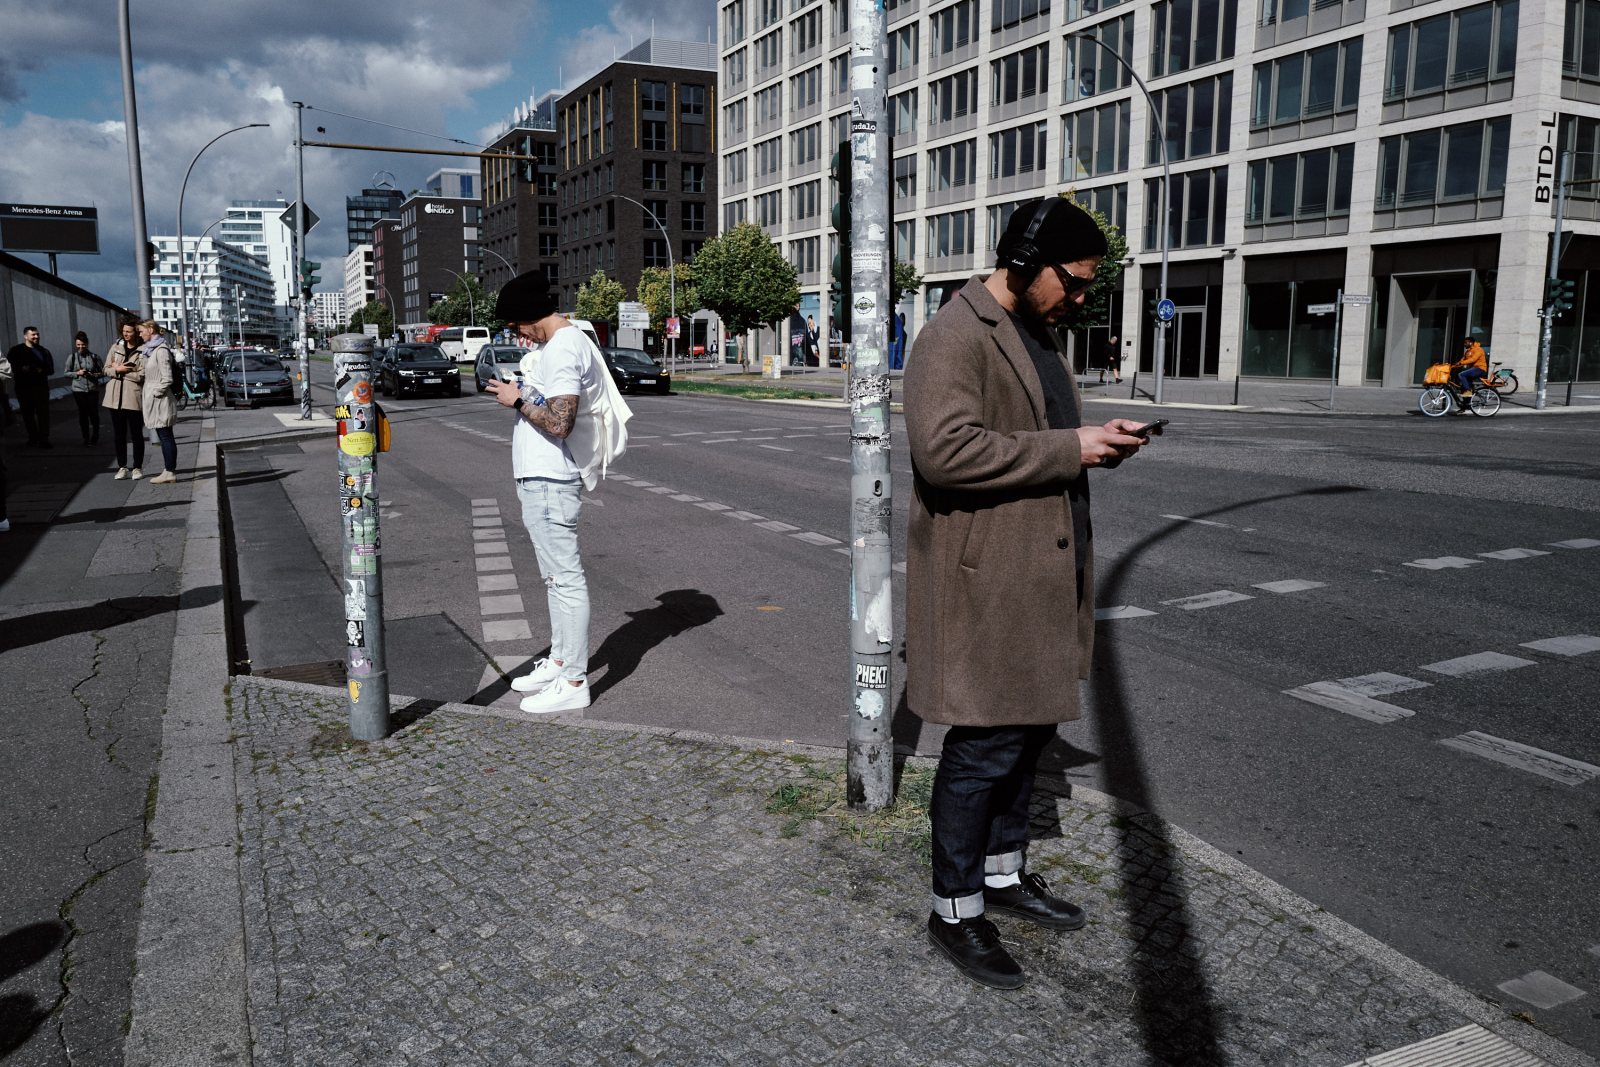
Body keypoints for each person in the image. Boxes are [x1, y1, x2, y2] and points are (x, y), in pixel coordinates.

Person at [904, 197, 1153, 989]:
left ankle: (1004, 877)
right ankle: (954, 909)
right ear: (1023, 261)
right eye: (1073, 283)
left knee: (1027, 739)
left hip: (1043, 571)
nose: (1080, 299)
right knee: (982, 748)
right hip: (988, 583)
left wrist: (1091, 443)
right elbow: (944, 452)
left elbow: (1039, 430)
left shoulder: (1037, 332)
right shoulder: (952, 334)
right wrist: (1071, 447)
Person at [484, 272, 604, 714]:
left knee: (565, 580)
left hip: (552, 480)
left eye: (516, 325)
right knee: (555, 580)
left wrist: (516, 401)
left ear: (531, 316)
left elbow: (560, 423)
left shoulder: (565, 347)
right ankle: (559, 662)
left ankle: (574, 680)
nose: (516, 333)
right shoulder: (557, 347)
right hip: (543, 479)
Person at [136, 321, 179, 484]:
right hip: (155, 398)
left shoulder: (161, 350)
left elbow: (167, 377)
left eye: (141, 331)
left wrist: (156, 392)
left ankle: (169, 471)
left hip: (160, 400)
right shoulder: (149, 350)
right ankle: (168, 470)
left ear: (150, 329)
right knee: (164, 435)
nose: (139, 334)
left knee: (166, 435)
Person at [103, 321, 146, 479]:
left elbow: (141, 375)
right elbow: (106, 369)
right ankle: (122, 467)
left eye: (129, 331)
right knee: (119, 435)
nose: (126, 334)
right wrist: (116, 369)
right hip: (114, 397)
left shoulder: (143, 351)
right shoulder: (115, 348)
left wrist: (121, 370)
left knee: (136, 435)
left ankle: (137, 467)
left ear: (135, 332)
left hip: (133, 397)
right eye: (124, 331)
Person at [7, 326, 55, 448]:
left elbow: (51, 370)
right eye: (33, 334)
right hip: (24, 389)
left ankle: (44, 439)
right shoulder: (16, 351)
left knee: (43, 414)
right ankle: (33, 438)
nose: (36, 337)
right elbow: (8, 367)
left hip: (41, 388)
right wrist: (21, 369)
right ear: (25, 336)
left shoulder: (44, 351)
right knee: (27, 414)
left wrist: (41, 370)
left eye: (37, 334)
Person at [65, 331, 103, 446]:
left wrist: (93, 375)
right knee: (83, 414)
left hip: (92, 389)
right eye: (78, 345)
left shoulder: (94, 357)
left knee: (94, 414)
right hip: (78, 390)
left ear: (87, 344)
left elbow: (103, 372)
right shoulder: (72, 357)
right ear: (75, 345)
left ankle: (95, 436)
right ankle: (85, 437)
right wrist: (77, 373)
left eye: (83, 344)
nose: (81, 347)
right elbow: (66, 373)